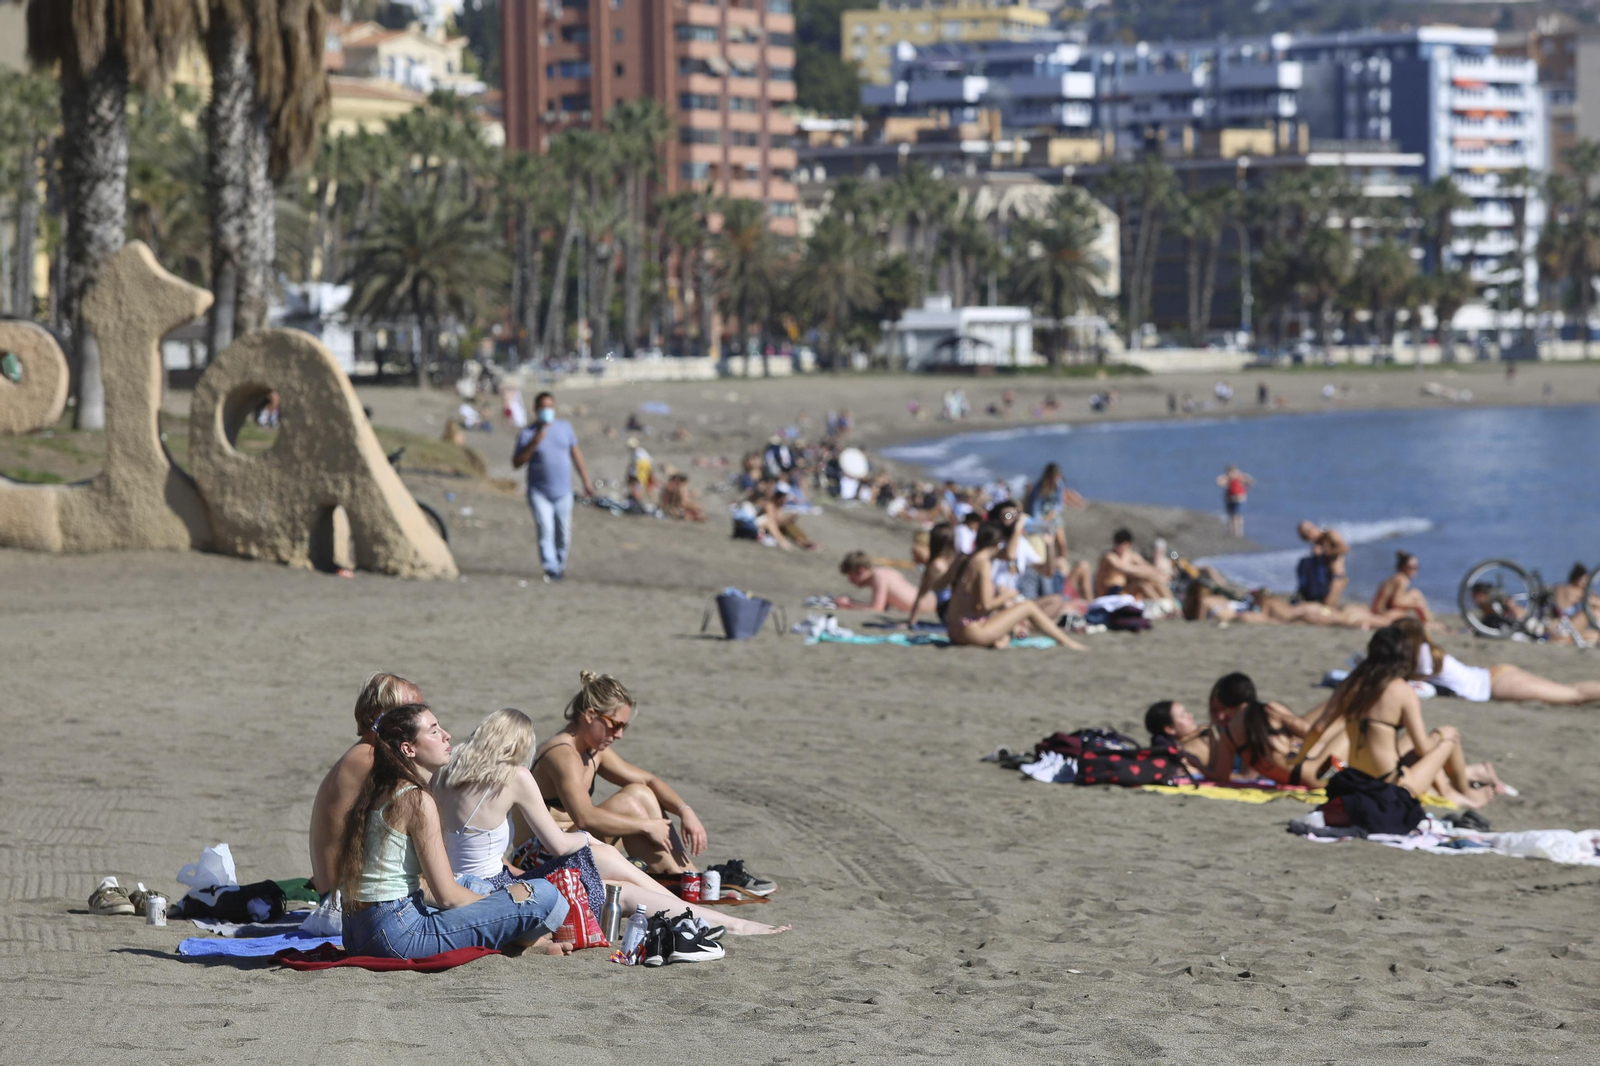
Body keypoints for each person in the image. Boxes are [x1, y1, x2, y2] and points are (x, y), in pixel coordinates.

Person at [434, 709, 785, 936]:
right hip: (493, 891)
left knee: (608, 862)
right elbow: (558, 844)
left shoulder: (444, 773)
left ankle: (697, 914)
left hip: (455, 883)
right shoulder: (514, 776)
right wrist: (586, 839)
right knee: (618, 884)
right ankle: (725, 923)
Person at [335, 702, 573, 959]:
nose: (446, 735)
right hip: (397, 934)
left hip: (356, 931)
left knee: (473, 883)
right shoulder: (416, 800)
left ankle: (520, 939)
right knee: (544, 894)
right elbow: (447, 896)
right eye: (434, 731)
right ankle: (524, 940)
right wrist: (500, 911)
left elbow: (426, 887)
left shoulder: (378, 789)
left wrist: (495, 905)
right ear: (408, 749)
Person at [524, 672, 777, 899]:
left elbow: (649, 780)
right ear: (590, 715)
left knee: (641, 792)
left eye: (624, 727)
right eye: (615, 725)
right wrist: (647, 826)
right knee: (629, 803)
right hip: (540, 857)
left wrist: (685, 811)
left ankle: (688, 876)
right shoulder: (562, 754)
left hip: (575, 842)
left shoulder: (592, 751)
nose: (619, 735)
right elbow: (585, 817)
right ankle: (688, 881)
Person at [1294, 626, 1502, 810]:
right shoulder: (1403, 691)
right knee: (1450, 737)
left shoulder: (1351, 684)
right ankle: (1464, 794)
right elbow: (1424, 749)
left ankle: (1459, 782)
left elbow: (1318, 728)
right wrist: (1441, 735)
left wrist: (1299, 761)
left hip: (1356, 779)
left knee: (1404, 740)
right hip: (1391, 786)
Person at [309, 672, 421, 897]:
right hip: (345, 900)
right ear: (380, 715)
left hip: (348, 893)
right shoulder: (367, 760)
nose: (420, 720)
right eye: (411, 712)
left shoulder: (364, 753)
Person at [1394, 617, 1600, 705]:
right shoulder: (1426, 650)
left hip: (1495, 684)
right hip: (1495, 675)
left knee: (1572, 695)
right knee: (1568, 691)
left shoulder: (1423, 656)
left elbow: (1408, 681)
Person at [944, 524, 1083, 649]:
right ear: (998, 543)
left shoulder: (964, 559)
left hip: (954, 630)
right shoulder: (983, 563)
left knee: (1007, 621)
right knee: (1028, 606)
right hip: (971, 632)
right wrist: (1007, 595)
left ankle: (1003, 639)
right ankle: (1067, 642)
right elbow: (986, 605)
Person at [512, 391, 596, 582]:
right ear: (535, 409)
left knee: (563, 534)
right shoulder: (527, 433)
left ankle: (559, 565)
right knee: (546, 530)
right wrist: (534, 443)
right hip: (539, 492)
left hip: (563, 492)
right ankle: (550, 568)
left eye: (550, 407)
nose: (547, 411)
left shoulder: (565, 428)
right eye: (543, 407)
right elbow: (516, 462)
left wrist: (586, 482)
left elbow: (576, 455)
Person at [1202, 673, 1314, 785]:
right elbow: (1313, 732)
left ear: (1225, 703)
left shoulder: (1233, 732)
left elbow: (1229, 776)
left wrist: (1196, 763)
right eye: (1214, 710)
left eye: (1222, 709)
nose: (1220, 716)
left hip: (1301, 773)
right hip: (1308, 771)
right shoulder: (1269, 711)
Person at [835, 550, 938, 614]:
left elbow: (876, 609)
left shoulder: (878, 577)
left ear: (861, 571)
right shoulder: (885, 571)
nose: (850, 581)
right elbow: (883, 607)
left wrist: (848, 604)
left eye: (851, 576)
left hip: (932, 606)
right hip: (933, 599)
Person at [1022, 462, 1085, 561]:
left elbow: (1059, 503)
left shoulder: (1059, 484)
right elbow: (1035, 506)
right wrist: (1039, 520)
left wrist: (1053, 513)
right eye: (1053, 477)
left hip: (1053, 515)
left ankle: (1061, 564)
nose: (1055, 479)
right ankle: (1047, 563)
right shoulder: (1039, 486)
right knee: (1046, 544)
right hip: (1041, 517)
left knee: (1062, 544)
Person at [907, 523, 960, 628]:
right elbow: (922, 593)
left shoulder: (950, 561)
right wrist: (912, 621)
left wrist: (912, 620)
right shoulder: (939, 564)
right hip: (948, 609)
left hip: (954, 607)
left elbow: (921, 594)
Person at [1094, 529, 1170, 601]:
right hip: (1110, 592)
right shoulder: (1109, 556)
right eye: (1118, 542)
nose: (1119, 546)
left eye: (1123, 543)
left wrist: (1158, 576)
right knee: (1142, 584)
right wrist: (1151, 575)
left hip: (1123, 590)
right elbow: (1123, 568)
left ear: (1129, 544)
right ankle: (1160, 605)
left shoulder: (1131, 555)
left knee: (1155, 583)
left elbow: (1147, 567)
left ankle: (1171, 606)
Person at [1144, 700, 1209, 774]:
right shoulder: (1186, 753)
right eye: (1182, 716)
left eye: (1186, 712)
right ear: (1170, 729)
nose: (1190, 715)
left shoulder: (1200, 731)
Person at [1295, 521, 1349, 606]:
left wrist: (1325, 552)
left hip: (1337, 577)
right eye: (1304, 537)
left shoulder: (1330, 534)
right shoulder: (1316, 543)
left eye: (1306, 535)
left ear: (1311, 530)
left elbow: (1344, 548)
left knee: (1327, 606)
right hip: (1326, 579)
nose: (1307, 539)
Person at [1371, 551, 1431, 623]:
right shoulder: (1402, 579)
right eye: (1410, 567)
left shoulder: (1397, 577)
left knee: (1415, 595)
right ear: (1402, 567)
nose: (1414, 570)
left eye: (1416, 567)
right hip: (1381, 613)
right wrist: (1415, 605)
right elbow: (1395, 602)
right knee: (1416, 595)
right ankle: (1428, 622)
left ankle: (1428, 622)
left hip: (1379, 611)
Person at [1215, 465, 1253, 537]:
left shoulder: (1241, 477)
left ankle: (1238, 532)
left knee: (1237, 516)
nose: (1231, 473)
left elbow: (1251, 481)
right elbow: (1218, 481)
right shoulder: (1228, 479)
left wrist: (1246, 487)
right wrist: (1226, 476)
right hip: (1229, 499)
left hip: (1239, 499)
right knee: (1230, 515)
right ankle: (1231, 531)